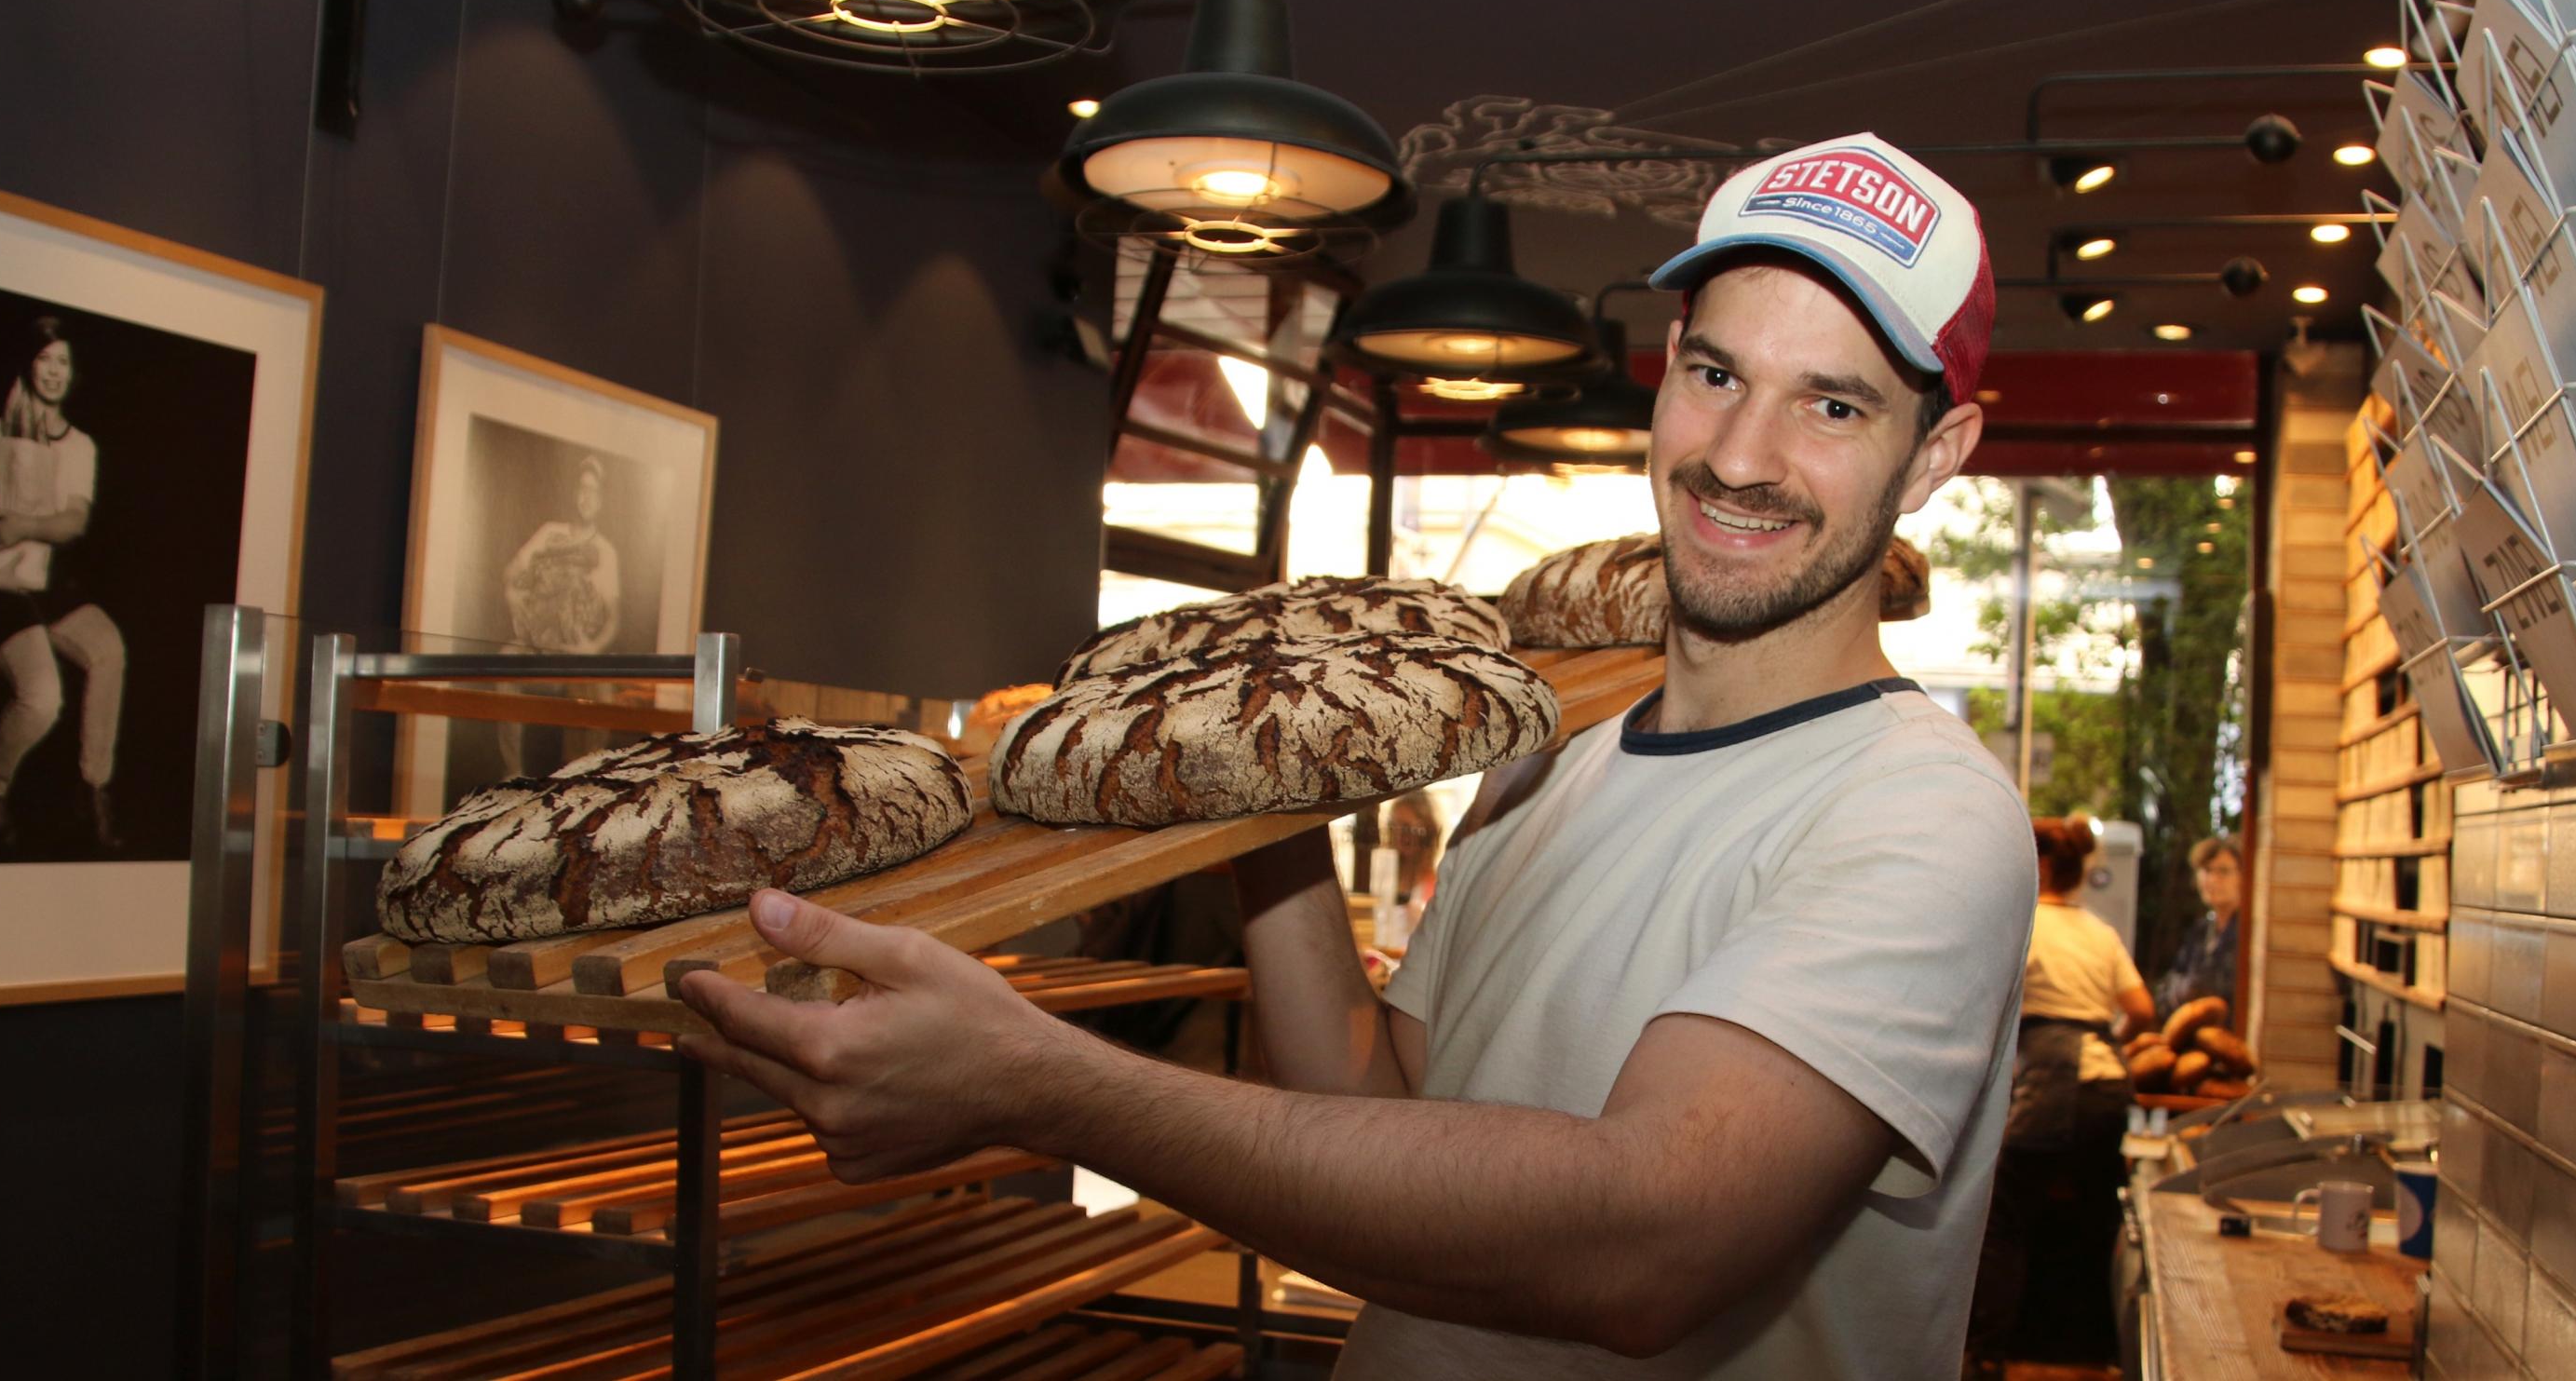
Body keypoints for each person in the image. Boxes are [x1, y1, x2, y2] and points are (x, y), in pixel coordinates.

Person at [675, 134, 2038, 1375]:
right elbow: (1367, 1096)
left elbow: (1646, 1246)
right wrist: (1251, 791)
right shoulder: (1549, 756)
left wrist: (1044, 1087)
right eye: (1717, 373)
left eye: (1835, 407)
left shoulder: (1920, 815)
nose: (1742, 456)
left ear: (1938, 457)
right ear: (1667, 362)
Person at [1966, 818, 2156, 1372]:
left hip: (2050, 1085)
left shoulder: (2026, 925)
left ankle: (1987, 1359)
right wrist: (2104, 1038)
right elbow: (2143, 1011)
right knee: (2094, 1224)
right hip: (2106, 1087)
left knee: (2006, 1223)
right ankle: (2097, 1355)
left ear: (2042, 865)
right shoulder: (2099, 932)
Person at [0, 313, 124, 851]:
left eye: (63, 362)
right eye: (45, 359)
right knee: (44, 700)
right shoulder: (0, 432)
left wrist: (23, 523)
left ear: (73, 373)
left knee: (109, 652)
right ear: (31, 366)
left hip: (53, 595)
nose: (54, 371)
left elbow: (73, 520)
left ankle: (92, 790)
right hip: (6, 595)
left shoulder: (80, 446)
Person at [494, 454, 623, 778]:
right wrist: (514, 597)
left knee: (601, 693)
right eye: (582, 488)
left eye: (594, 491)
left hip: (573, 653)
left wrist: (591, 650)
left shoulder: (606, 552)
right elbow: (512, 573)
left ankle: (579, 783)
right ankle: (513, 773)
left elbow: (613, 619)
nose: (586, 497)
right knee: (506, 662)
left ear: (603, 500)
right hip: (535, 644)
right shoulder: (549, 533)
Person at [2157, 835, 2244, 1020]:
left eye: (2223, 871)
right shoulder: (2201, 930)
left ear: (2243, 877)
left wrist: (2192, 990)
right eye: (2206, 870)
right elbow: (2166, 987)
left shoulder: (2247, 932)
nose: (2212, 879)